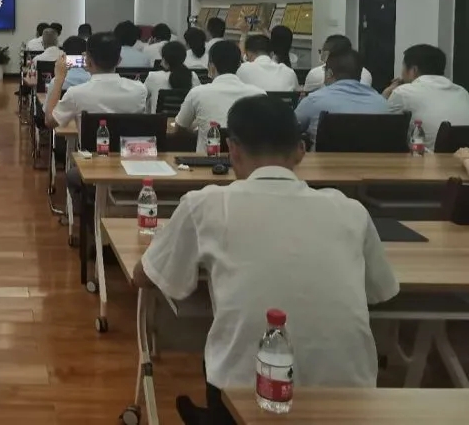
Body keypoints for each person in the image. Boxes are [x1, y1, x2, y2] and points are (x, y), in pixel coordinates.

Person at [138, 95, 398, 425]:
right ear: (301, 151)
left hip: (246, 395)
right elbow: (381, 292)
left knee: (224, 348)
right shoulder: (350, 210)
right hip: (351, 402)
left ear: (232, 149)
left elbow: (146, 276)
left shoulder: (205, 204)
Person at [46, 33, 148, 202]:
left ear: (87, 60)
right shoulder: (140, 90)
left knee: (72, 175)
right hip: (132, 164)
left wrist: (59, 79)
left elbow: (50, 121)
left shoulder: (76, 94)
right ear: (119, 60)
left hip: (93, 166)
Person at [175, 40, 266, 152]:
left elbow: (180, 128)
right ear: (239, 65)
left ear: (211, 66)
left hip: (207, 160)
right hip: (247, 159)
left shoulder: (198, 93)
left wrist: (200, 131)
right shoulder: (259, 94)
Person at [295, 49, 390, 146]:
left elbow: (290, 130)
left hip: (325, 156)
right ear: (360, 74)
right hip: (372, 156)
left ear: (329, 73)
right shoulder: (382, 103)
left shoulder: (313, 101)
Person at [384, 44, 469, 151]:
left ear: (413, 70)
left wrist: (385, 96)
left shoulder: (403, 92)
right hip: (463, 158)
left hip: (426, 159)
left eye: (403, 67)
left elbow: (386, 131)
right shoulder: (462, 92)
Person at [144, 41, 200, 114]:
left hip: (160, 121)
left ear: (165, 60)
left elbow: (142, 100)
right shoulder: (193, 76)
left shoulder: (153, 77)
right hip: (186, 121)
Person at [304, 35, 373, 92]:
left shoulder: (316, 73)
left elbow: (307, 97)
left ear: (327, 54)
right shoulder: (367, 73)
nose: (321, 55)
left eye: (321, 51)